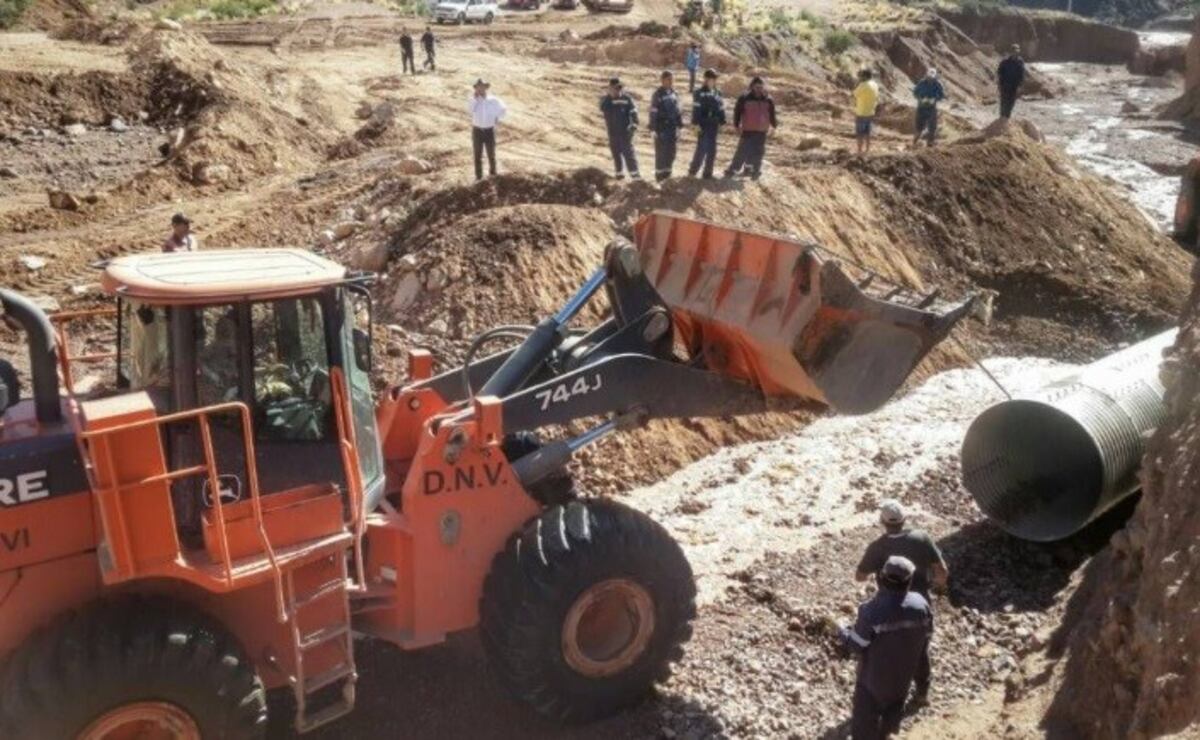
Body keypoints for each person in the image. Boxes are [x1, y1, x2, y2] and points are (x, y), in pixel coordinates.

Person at [855, 499, 948, 706]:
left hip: (890, 608)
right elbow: (942, 572)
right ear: (905, 520)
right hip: (920, 606)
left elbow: (860, 576)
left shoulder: (877, 547)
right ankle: (922, 694)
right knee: (919, 650)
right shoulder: (922, 538)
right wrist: (936, 588)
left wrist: (877, 571)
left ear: (882, 522)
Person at [840, 556, 933, 740]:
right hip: (901, 682)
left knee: (863, 730)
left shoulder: (870, 611)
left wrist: (841, 630)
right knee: (890, 727)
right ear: (909, 581)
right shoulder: (921, 605)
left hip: (871, 683)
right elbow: (926, 638)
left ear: (880, 579)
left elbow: (855, 646)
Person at [725, 76, 776, 180]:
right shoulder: (744, 98)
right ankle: (733, 170)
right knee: (742, 150)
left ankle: (754, 171)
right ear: (752, 87)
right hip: (748, 129)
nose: (759, 89)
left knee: (758, 151)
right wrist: (736, 125)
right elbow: (737, 112)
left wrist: (774, 126)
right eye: (757, 87)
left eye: (761, 87)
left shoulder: (768, 99)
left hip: (762, 130)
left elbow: (772, 114)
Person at [688, 68, 725, 179]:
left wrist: (722, 122)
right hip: (703, 123)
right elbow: (696, 109)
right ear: (705, 79)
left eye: (713, 79)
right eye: (709, 79)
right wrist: (695, 124)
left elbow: (721, 108)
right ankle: (692, 172)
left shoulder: (718, 93)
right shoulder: (699, 93)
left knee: (712, 150)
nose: (712, 81)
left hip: (714, 124)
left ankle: (707, 174)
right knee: (701, 149)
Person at [600, 77, 640, 180]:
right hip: (613, 133)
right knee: (616, 154)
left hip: (625, 132)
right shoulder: (606, 100)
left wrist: (633, 126)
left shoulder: (627, 99)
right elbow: (603, 108)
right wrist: (610, 96)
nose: (617, 90)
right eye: (614, 88)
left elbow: (634, 113)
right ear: (610, 88)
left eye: (618, 88)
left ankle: (636, 177)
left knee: (629, 155)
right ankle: (619, 175)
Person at [469, 78, 507, 181]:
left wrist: (496, 117)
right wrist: (475, 99)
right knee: (477, 155)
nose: (480, 89)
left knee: (491, 154)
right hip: (477, 131)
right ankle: (478, 177)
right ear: (476, 89)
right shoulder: (473, 100)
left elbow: (503, 110)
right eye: (478, 87)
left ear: (486, 88)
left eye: (482, 87)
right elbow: (469, 110)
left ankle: (493, 175)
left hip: (489, 130)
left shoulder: (494, 100)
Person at [650, 69, 684, 181]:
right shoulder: (657, 94)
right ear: (662, 80)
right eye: (668, 79)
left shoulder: (675, 94)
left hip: (672, 128)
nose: (670, 81)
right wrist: (653, 129)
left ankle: (668, 174)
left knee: (671, 152)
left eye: (672, 79)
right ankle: (659, 176)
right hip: (661, 128)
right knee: (661, 153)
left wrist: (680, 127)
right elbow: (653, 112)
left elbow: (678, 111)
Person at [911, 68, 944, 148]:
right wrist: (920, 98)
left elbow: (942, 95)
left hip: (932, 108)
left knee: (932, 127)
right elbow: (915, 93)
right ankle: (914, 142)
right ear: (926, 76)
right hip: (921, 107)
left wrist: (935, 99)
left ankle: (930, 144)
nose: (930, 80)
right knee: (919, 126)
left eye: (932, 78)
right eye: (929, 78)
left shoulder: (938, 84)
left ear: (935, 77)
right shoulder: (921, 83)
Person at [853, 68, 880, 155]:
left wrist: (858, 83)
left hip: (861, 112)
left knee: (860, 133)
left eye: (861, 76)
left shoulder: (863, 85)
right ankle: (867, 150)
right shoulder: (875, 84)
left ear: (864, 76)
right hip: (870, 112)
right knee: (867, 133)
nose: (859, 77)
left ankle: (859, 151)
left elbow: (855, 94)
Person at [997, 44, 1026, 120]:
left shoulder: (1020, 62)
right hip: (1005, 85)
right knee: (1004, 102)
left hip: (1014, 86)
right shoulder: (1005, 61)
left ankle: (1007, 117)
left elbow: (1022, 74)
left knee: (1011, 102)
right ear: (1011, 52)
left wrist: (1020, 85)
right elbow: (999, 73)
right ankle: (1002, 117)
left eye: (1016, 51)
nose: (1015, 53)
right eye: (1013, 51)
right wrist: (999, 84)